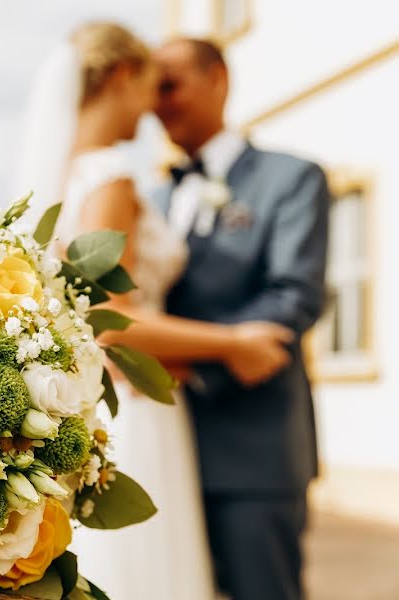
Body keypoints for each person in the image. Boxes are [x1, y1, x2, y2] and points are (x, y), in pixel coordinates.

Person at [17, 23, 294, 600]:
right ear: (122, 77)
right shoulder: (111, 178)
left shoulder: (64, 178)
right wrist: (235, 342)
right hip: (137, 409)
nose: (153, 107)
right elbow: (111, 321)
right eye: (151, 84)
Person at [154, 38, 329, 600]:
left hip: (254, 449)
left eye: (171, 83)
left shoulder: (292, 178)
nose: (160, 102)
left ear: (219, 79)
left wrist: (198, 366)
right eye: (152, 89)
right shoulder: (151, 200)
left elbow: (293, 296)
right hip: (162, 446)